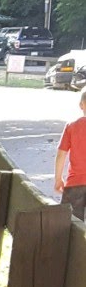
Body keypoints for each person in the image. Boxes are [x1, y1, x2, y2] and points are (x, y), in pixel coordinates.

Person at [54, 89, 86, 219]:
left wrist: (58, 179)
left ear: (81, 105)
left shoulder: (72, 126)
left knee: (70, 224)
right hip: (76, 183)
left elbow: (61, 154)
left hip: (75, 184)